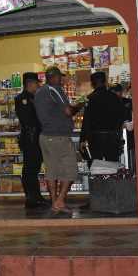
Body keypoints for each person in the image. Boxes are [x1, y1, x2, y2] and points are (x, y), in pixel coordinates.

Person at [34, 67, 80, 215]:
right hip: (59, 137)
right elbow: (68, 111)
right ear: (53, 77)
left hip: (45, 137)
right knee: (71, 169)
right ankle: (60, 201)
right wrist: (79, 105)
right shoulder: (55, 89)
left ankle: (55, 203)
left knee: (51, 171)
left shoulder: (39, 92)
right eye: (60, 77)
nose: (61, 79)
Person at [15, 72, 48, 209]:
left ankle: (36, 196)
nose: (38, 86)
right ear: (30, 83)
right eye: (36, 83)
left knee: (34, 169)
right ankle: (31, 198)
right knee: (29, 169)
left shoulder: (35, 97)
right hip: (30, 138)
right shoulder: (22, 99)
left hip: (36, 138)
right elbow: (28, 120)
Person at [80, 73, 126, 162]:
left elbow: (86, 121)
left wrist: (83, 139)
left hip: (95, 139)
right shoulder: (114, 98)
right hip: (112, 138)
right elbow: (121, 116)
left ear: (92, 84)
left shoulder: (90, 98)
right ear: (105, 82)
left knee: (96, 166)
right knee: (112, 166)